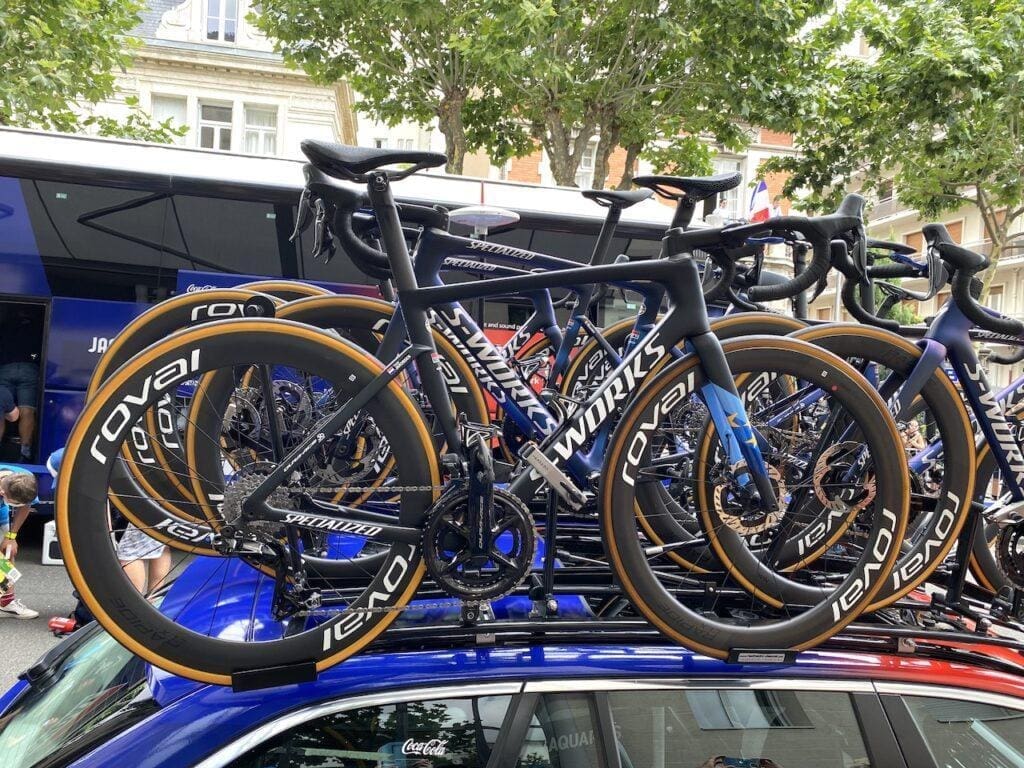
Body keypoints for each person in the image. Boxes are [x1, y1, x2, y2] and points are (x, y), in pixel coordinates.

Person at [0, 306, 43, 461]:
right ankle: (25, 452)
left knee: (1, 407)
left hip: (6, 367)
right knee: (27, 411)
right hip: (29, 369)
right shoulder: (37, 326)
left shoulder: (6, 325)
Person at [0, 465, 39, 618]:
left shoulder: (26, 481)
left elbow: (25, 507)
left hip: (1, 514)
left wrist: (11, 537)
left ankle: (6, 602)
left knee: (7, 554)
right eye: (14, 503)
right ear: (2, 492)